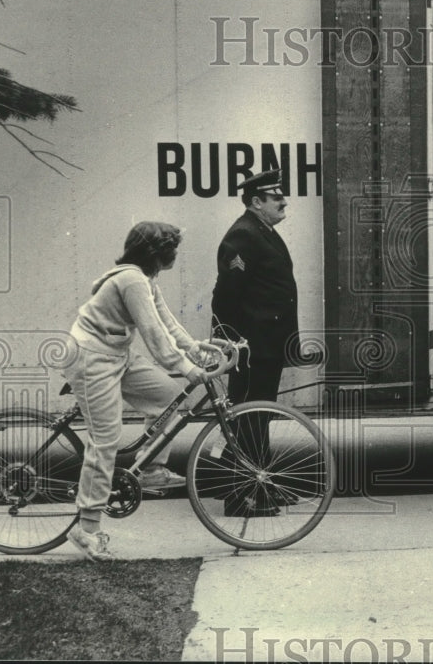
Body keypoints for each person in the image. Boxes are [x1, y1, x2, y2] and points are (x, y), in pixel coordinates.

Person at [64, 221, 214, 561]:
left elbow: (165, 320)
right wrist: (189, 368)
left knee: (168, 398)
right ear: (154, 253)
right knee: (106, 439)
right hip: (91, 358)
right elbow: (152, 333)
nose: (174, 253)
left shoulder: (145, 278)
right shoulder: (131, 280)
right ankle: (86, 529)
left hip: (116, 353)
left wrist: (194, 348)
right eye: (170, 248)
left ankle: (151, 470)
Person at [211, 167, 303, 516]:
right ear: (255, 202)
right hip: (252, 347)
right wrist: (230, 345)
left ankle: (261, 487)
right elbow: (226, 297)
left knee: (258, 417)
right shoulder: (244, 235)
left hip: (265, 344)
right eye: (275, 197)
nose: (284, 201)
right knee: (249, 418)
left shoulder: (259, 230)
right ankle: (241, 497)